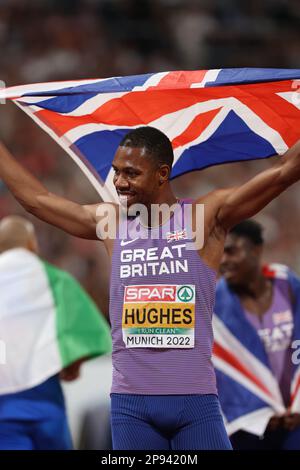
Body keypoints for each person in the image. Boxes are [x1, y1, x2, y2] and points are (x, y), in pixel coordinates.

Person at [0, 126, 299, 450]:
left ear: (162, 174)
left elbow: (284, 172)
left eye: (131, 173)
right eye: (116, 171)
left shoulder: (204, 217)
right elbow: (36, 200)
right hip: (132, 407)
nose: (119, 182)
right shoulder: (110, 222)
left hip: (195, 404)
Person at [0, 215, 112, 450]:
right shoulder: (57, 279)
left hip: (4, 409)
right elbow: (91, 332)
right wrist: (74, 364)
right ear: (33, 245)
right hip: (46, 401)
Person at [213, 220, 300, 450]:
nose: (223, 261)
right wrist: (259, 415)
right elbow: (223, 373)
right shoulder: (215, 306)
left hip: (296, 420)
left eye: (231, 251)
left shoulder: (286, 283)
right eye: (220, 253)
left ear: (256, 250)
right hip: (248, 429)